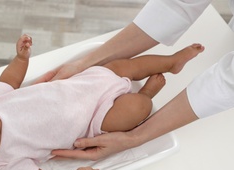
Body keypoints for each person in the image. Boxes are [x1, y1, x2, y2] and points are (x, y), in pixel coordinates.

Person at [0, 34, 204, 170]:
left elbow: (10, 80)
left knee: (123, 66)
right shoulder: (6, 164)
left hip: (83, 83)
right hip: (96, 118)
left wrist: (20, 59)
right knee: (135, 110)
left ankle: (171, 61)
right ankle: (146, 95)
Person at [46, 0, 234, 161]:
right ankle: (164, 71)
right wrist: (83, 64)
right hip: (80, 107)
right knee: (119, 72)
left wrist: (134, 137)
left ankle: (165, 69)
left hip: (79, 108)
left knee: (132, 104)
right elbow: (177, 4)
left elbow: (227, 84)